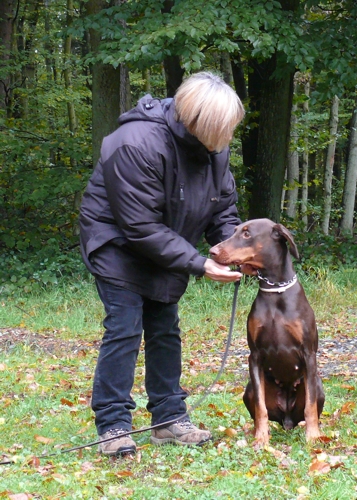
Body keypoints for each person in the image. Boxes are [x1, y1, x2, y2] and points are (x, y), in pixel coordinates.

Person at [79, 71, 246, 455]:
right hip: (117, 242)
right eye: (223, 130)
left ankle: (169, 419)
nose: (227, 139)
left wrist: (234, 249)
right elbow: (138, 225)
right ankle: (113, 425)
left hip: (167, 241)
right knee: (125, 326)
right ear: (199, 121)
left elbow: (223, 210)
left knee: (165, 328)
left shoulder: (213, 148)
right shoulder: (136, 143)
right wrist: (200, 263)